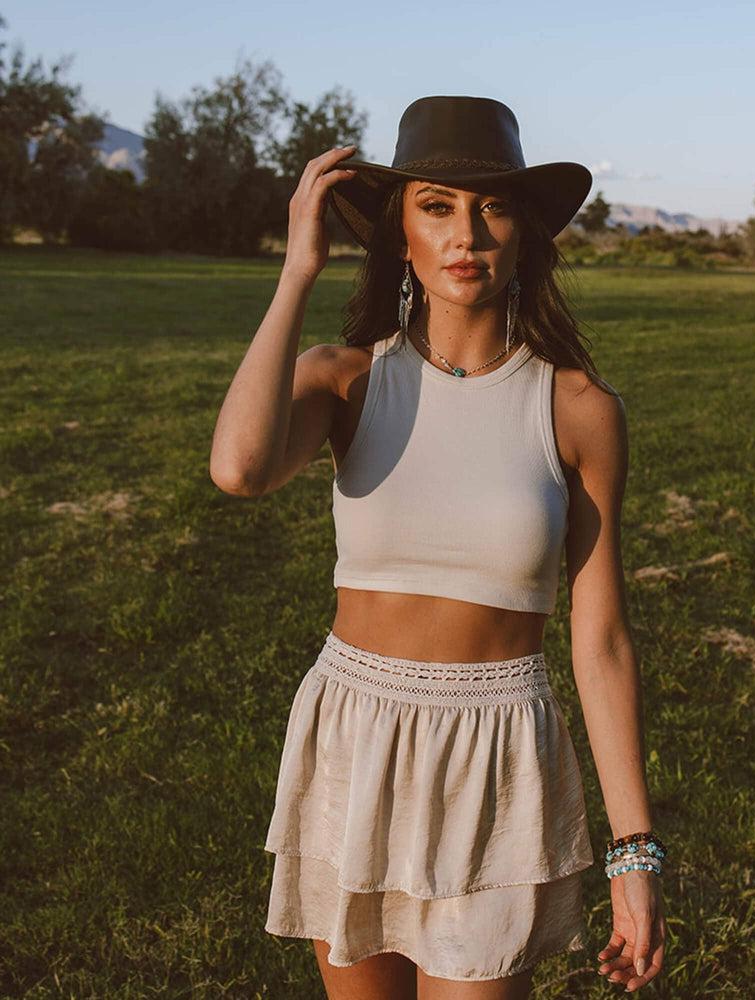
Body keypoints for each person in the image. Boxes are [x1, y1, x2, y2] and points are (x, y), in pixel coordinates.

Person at [210, 95, 666, 999]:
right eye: (437, 205)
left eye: (493, 207)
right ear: (400, 234)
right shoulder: (348, 379)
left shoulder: (578, 409)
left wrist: (634, 851)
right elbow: (239, 468)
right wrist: (297, 271)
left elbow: (602, 638)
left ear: (526, 233)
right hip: (355, 736)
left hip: (497, 754)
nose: (468, 233)